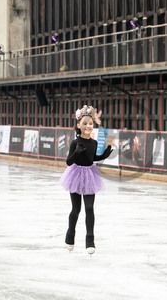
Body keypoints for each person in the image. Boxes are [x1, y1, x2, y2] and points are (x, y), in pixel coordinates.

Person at [60, 105, 113, 254]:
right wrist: (76, 152)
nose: (88, 126)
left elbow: (92, 158)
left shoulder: (94, 143)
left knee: (89, 208)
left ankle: (90, 240)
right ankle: (70, 235)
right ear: (79, 125)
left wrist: (103, 156)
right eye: (85, 123)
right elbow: (69, 162)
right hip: (75, 176)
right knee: (76, 209)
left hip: (90, 176)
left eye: (90, 123)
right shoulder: (75, 143)